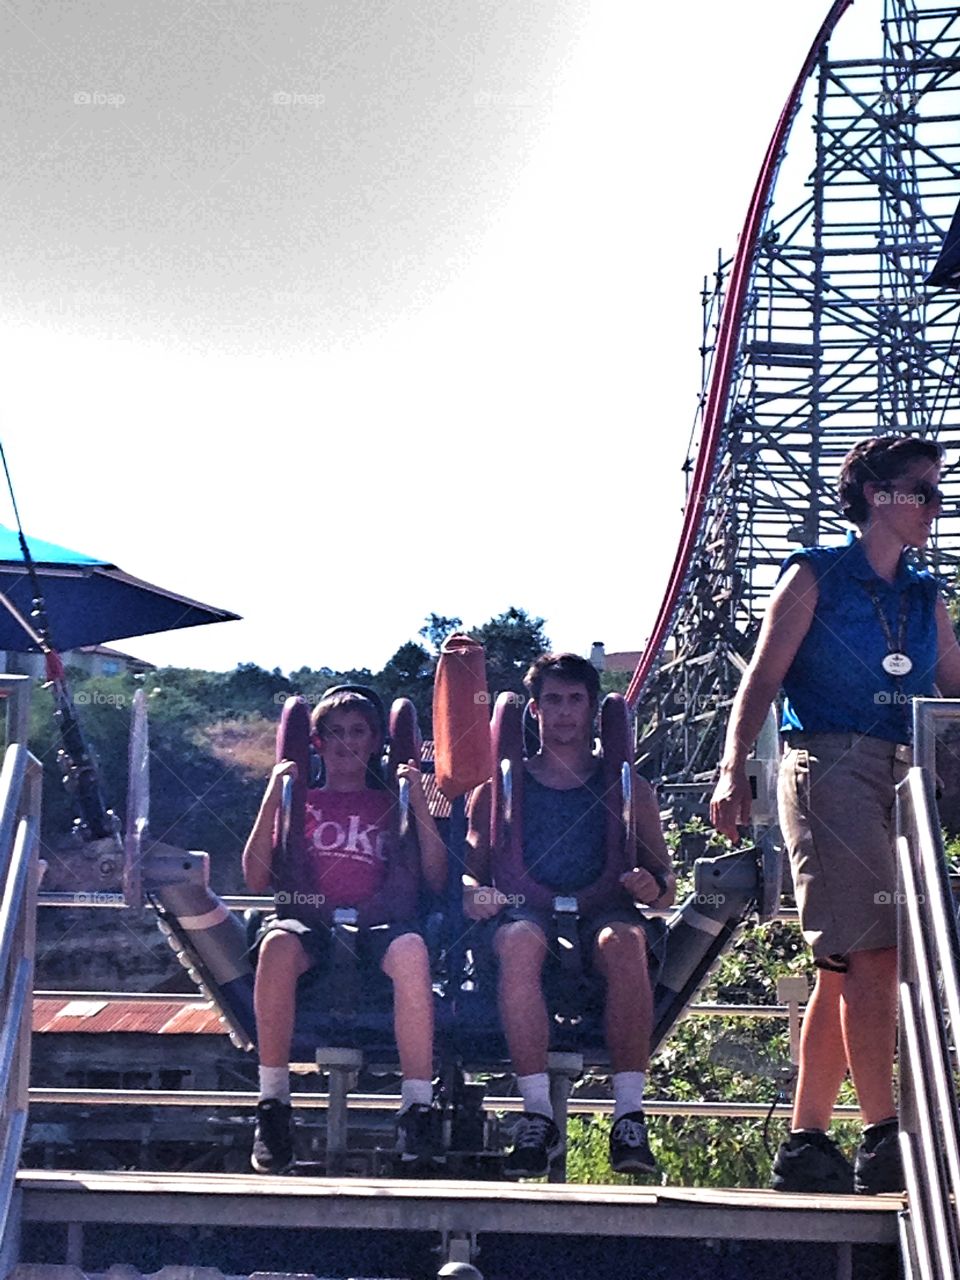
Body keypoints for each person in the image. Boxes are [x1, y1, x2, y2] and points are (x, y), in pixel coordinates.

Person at [710, 434, 960, 1194]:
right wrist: (731, 771)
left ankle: (807, 1140)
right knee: (875, 948)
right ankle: (886, 1136)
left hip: (904, 772)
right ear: (877, 495)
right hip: (830, 763)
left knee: (841, 963)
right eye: (921, 488)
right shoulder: (815, 573)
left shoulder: (924, 597)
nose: (936, 505)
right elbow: (762, 679)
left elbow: (955, 687)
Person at [464, 652, 676, 1179]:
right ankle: (536, 1114)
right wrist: (475, 895)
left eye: (574, 701)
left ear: (592, 709)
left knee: (624, 943)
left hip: (602, 915)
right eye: (552, 701)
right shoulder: (496, 791)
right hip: (524, 916)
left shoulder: (632, 790)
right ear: (533, 711)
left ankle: (629, 1115)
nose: (563, 713)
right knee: (518, 943)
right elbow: (468, 875)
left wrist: (650, 885)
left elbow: (666, 886)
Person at [242, 688, 447, 1174]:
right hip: (310, 921)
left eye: (358, 732)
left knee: (413, 950)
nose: (346, 743)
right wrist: (274, 793)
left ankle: (417, 1106)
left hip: (380, 923)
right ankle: (273, 1105)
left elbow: (438, 877)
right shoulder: (302, 802)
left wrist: (416, 796)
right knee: (274, 945)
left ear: (376, 741)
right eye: (335, 733)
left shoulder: (389, 802)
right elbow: (253, 876)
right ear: (317, 742)